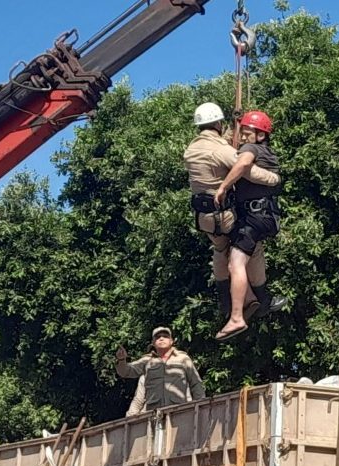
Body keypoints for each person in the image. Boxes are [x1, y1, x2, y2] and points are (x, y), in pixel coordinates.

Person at [183, 102, 283, 322]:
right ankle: (262, 300)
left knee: (220, 250)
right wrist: (273, 178)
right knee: (251, 249)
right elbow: (246, 169)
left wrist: (235, 124)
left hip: (204, 217)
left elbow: (220, 146)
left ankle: (226, 301)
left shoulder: (191, 150)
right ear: (217, 123)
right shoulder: (221, 150)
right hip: (225, 214)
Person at [213, 110, 286, 341]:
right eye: (241, 133)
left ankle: (236, 317)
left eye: (247, 132)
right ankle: (260, 299)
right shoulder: (267, 152)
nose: (243, 137)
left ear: (260, 136)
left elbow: (243, 163)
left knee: (235, 261)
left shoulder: (250, 149)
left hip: (255, 215)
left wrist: (224, 186)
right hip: (265, 215)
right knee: (245, 255)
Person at [116, 326, 205, 413]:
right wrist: (121, 360)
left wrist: (200, 407)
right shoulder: (147, 361)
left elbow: (196, 384)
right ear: (153, 343)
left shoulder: (183, 359)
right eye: (158, 337)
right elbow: (126, 372)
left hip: (179, 412)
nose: (161, 339)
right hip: (153, 413)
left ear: (171, 341)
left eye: (165, 336)